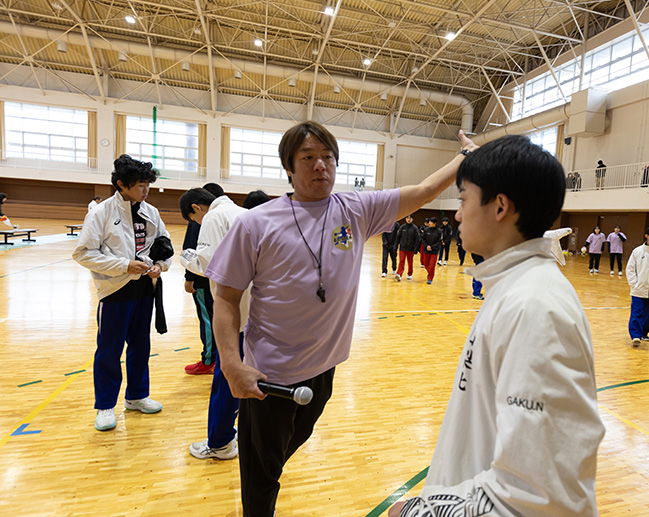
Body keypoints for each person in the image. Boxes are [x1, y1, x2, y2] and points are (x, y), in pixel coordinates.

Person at [204, 121, 478, 516]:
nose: (321, 165)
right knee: (261, 476)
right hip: (270, 378)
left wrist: (464, 158)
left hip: (324, 369)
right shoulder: (255, 223)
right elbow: (226, 298)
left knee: (281, 453)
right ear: (288, 167)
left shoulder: (356, 209)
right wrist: (232, 365)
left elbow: (422, 191)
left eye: (328, 157)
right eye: (308, 157)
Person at [388, 134, 605, 517]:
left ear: (500, 206)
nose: (457, 215)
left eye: (463, 200)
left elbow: (540, 496)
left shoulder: (534, 307)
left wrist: (418, 514)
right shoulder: (513, 287)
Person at [72, 154, 171, 431]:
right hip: (115, 290)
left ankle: (137, 396)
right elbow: (83, 253)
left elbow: (164, 244)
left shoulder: (151, 212)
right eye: (140, 185)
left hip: (145, 289)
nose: (146, 190)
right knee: (109, 350)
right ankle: (105, 406)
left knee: (141, 347)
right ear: (121, 184)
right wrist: (124, 265)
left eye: (148, 185)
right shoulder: (101, 213)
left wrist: (160, 265)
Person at [179, 187, 250, 460]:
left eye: (193, 220)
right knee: (250, 373)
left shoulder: (212, 217)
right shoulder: (244, 212)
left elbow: (209, 263)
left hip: (234, 310)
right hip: (258, 311)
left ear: (196, 208)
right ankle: (244, 431)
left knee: (226, 375)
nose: (196, 223)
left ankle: (220, 443)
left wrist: (186, 258)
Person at [182, 182, 226, 376]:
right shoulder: (226, 215)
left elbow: (191, 249)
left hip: (203, 279)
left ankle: (209, 359)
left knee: (207, 319)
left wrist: (189, 277)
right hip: (222, 280)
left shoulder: (202, 219)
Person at [395, 215, 420, 281]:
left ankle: (410, 274)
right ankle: (399, 274)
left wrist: (416, 248)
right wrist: (396, 246)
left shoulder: (415, 228)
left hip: (411, 248)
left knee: (410, 262)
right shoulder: (402, 227)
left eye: (410, 218)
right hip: (402, 248)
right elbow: (398, 237)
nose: (408, 219)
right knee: (401, 261)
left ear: (412, 219)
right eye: (407, 218)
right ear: (405, 219)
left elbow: (417, 239)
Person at [420, 217, 442, 284]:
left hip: (434, 251)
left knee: (432, 265)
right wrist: (426, 246)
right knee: (426, 264)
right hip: (426, 250)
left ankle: (430, 278)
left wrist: (432, 247)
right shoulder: (426, 230)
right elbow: (422, 238)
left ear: (435, 223)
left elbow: (439, 241)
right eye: (429, 222)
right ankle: (430, 273)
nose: (429, 223)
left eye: (431, 222)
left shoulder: (439, 231)